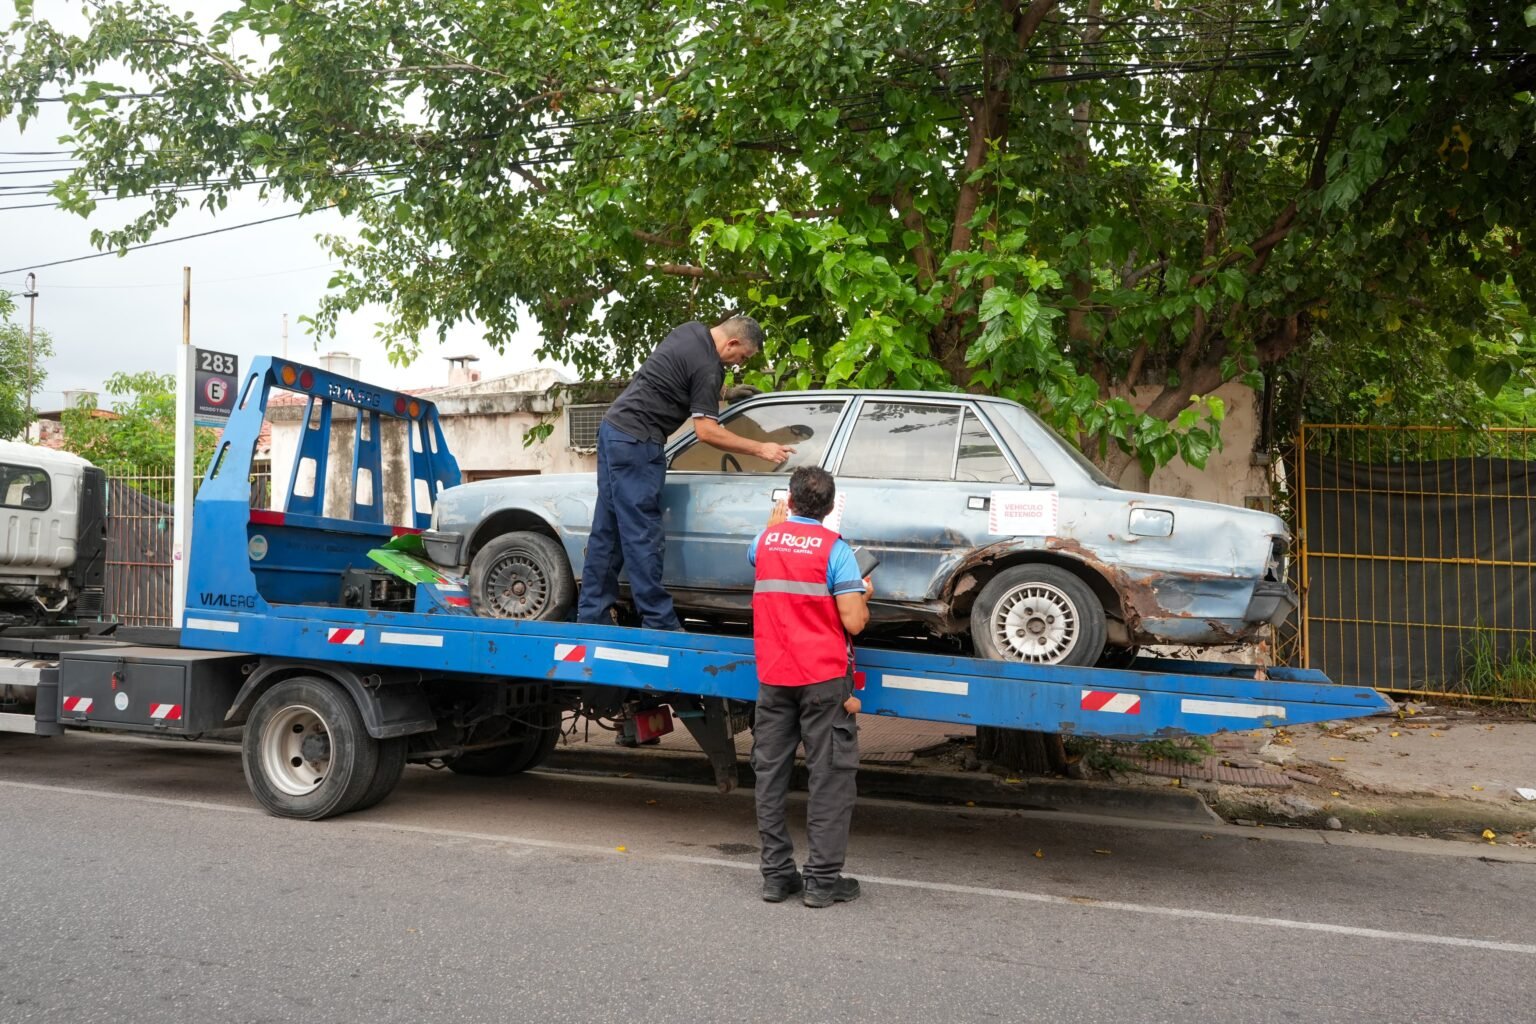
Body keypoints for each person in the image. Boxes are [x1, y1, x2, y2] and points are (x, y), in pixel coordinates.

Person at [577, 315, 794, 630]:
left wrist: (727, 394)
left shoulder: (689, 331)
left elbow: (677, 379)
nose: (738, 364)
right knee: (643, 535)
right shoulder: (709, 368)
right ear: (732, 343)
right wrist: (761, 448)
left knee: (608, 532)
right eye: (742, 357)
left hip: (614, 431)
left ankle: (592, 614)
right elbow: (707, 431)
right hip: (638, 442)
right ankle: (658, 621)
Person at [747, 465, 872, 908]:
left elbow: (764, 563)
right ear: (832, 507)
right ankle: (820, 882)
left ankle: (777, 876)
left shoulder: (763, 542)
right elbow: (853, 621)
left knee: (770, 775)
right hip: (822, 679)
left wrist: (774, 529)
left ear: (790, 502)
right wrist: (861, 593)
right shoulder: (837, 551)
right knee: (830, 779)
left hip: (774, 676)